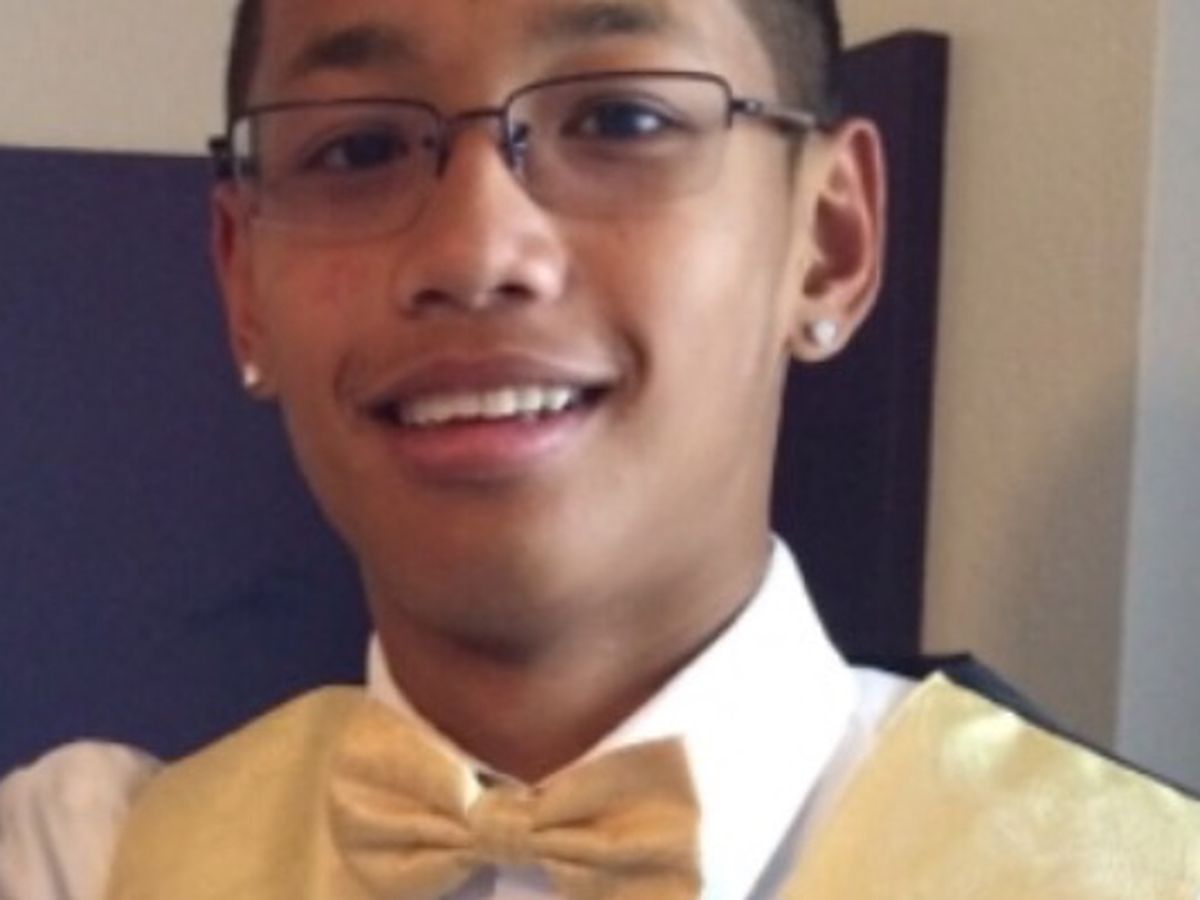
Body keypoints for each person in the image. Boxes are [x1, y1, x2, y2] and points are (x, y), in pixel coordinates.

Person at [1, 0, 1197, 897]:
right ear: (241, 283)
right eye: (357, 148)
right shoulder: (90, 862)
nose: (475, 250)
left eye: (622, 118)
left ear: (828, 241)